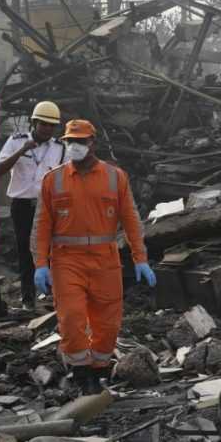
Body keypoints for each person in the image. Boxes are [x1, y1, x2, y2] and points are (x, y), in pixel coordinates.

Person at [32, 120, 155, 395]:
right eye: (69, 141)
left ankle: (99, 371)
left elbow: (131, 220)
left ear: (92, 143)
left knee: (108, 322)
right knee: (72, 318)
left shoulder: (115, 177)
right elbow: (41, 225)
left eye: (81, 141)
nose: (74, 146)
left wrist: (140, 257)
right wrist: (41, 264)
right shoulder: (54, 180)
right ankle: (81, 372)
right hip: (67, 261)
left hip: (105, 260)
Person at [0, 101, 66, 310]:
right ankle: (28, 299)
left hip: (48, 206)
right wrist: (22, 150)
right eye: (44, 124)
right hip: (22, 206)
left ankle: (52, 296)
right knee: (25, 250)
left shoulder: (60, 147)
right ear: (34, 122)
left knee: (53, 249)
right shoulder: (16, 141)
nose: (48, 129)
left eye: (52, 125)